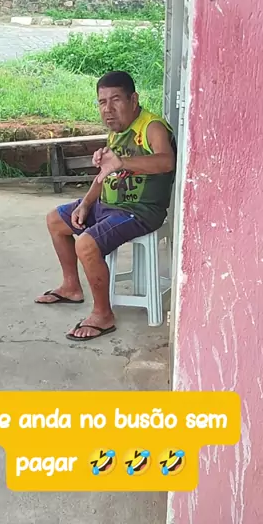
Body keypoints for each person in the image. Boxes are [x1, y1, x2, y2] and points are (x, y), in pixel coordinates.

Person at [36, 70, 176, 342]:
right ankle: (71, 287)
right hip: (108, 205)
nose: (108, 109)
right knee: (55, 220)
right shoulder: (117, 132)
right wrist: (86, 203)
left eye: (116, 100)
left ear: (133, 100)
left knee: (86, 244)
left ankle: (103, 315)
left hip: (139, 211)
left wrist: (123, 162)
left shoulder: (151, 127)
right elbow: (105, 174)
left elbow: (166, 161)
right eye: (102, 102)